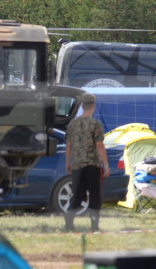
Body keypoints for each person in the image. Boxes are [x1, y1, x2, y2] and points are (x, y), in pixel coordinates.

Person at [64, 93, 109, 232]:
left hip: (77, 165)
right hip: (92, 165)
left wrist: (68, 163)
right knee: (94, 196)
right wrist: (106, 165)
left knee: (77, 195)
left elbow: (68, 145)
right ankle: (94, 227)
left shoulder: (72, 124)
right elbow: (100, 145)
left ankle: (69, 222)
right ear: (93, 106)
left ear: (82, 106)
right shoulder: (95, 124)